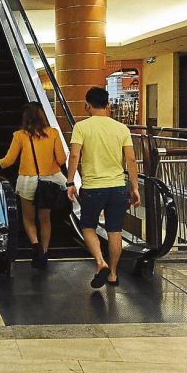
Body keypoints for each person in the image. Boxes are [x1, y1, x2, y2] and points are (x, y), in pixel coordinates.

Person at [65, 87, 141, 289]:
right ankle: (114, 275)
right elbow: (131, 159)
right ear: (108, 105)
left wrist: (70, 182)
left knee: (87, 226)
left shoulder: (81, 127)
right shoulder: (121, 128)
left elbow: (74, 155)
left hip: (93, 187)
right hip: (117, 187)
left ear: (87, 104)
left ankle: (100, 262)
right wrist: (135, 187)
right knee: (114, 230)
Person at [0, 102, 66, 269]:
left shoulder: (20, 135)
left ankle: (35, 245)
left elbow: (9, 161)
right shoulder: (53, 133)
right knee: (45, 219)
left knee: (28, 219)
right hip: (49, 181)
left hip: (28, 181)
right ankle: (44, 252)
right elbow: (61, 159)